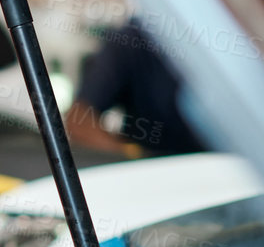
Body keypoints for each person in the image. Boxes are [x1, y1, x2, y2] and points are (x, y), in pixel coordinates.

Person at [64, 17, 209, 157]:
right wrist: (129, 159)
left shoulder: (220, 40)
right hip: (156, 172)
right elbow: (79, 120)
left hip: (221, 170)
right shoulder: (136, 38)